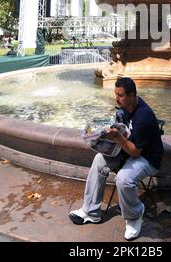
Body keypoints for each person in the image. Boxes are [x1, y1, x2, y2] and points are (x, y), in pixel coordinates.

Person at [69, 77, 164, 241]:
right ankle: (91, 212)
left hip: (148, 157)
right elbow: (125, 132)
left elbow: (135, 152)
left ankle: (135, 215)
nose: (116, 99)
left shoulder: (144, 116)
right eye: (116, 94)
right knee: (100, 159)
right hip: (128, 149)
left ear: (132, 95)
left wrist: (118, 137)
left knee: (123, 179)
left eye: (120, 95)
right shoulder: (125, 107)